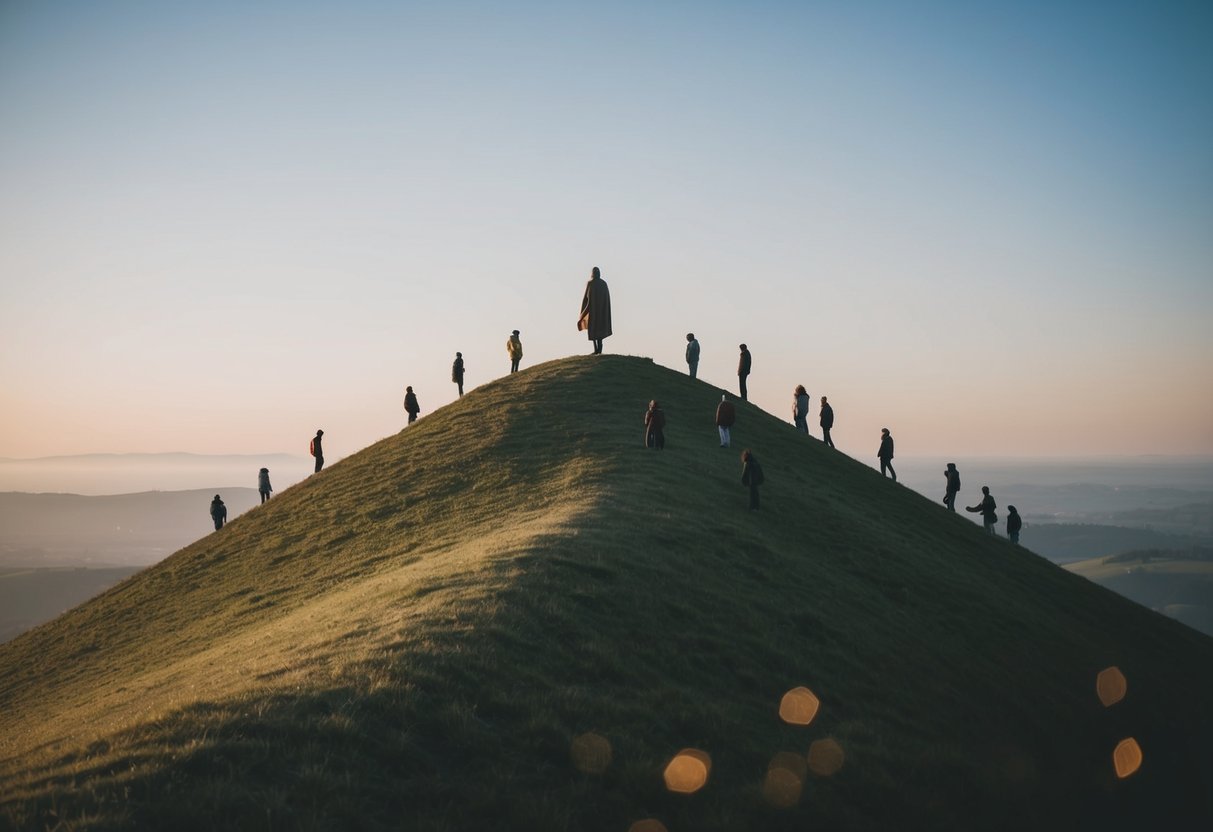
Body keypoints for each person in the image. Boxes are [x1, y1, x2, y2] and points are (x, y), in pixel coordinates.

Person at [577, 266, 612, 354]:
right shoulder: (603, 284)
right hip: (602, 313)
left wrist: (581, 317)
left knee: (593, 330)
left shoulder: (591, 283)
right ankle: (598, 350)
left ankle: (597, 350)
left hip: (594, 312)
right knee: (598, 331)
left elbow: (588, 301)